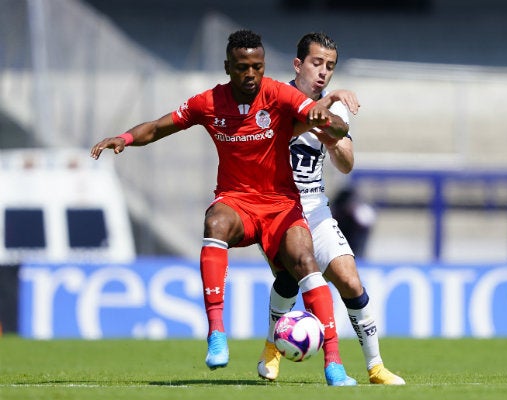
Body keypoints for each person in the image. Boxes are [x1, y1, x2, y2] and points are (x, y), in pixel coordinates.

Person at [90, 29, 356, 386]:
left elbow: (324, 119)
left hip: (281, 205)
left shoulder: (279, 93)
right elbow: (156, 128)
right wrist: (122, 138)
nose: (251, 75)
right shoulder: (209, 102)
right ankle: (216, 333)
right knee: (214, 221)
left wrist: (334, 124)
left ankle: (334, 364)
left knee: (306, 263)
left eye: (257, 67)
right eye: (243, 67)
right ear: (228, 66)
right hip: (237, 201)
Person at [257, 32, 405, 385]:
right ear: (298, 64)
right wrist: (318, 115)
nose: (323, 72)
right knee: (292, 276)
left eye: (330, 67)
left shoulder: (335, 109)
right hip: (277, 208)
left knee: (351, 281)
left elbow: (347, 164)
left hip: (317, 208)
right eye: (316, 63)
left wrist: (330, 135)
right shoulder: (275, 97)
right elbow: (274, 136)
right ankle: (270, 350)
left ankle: (375, 367)